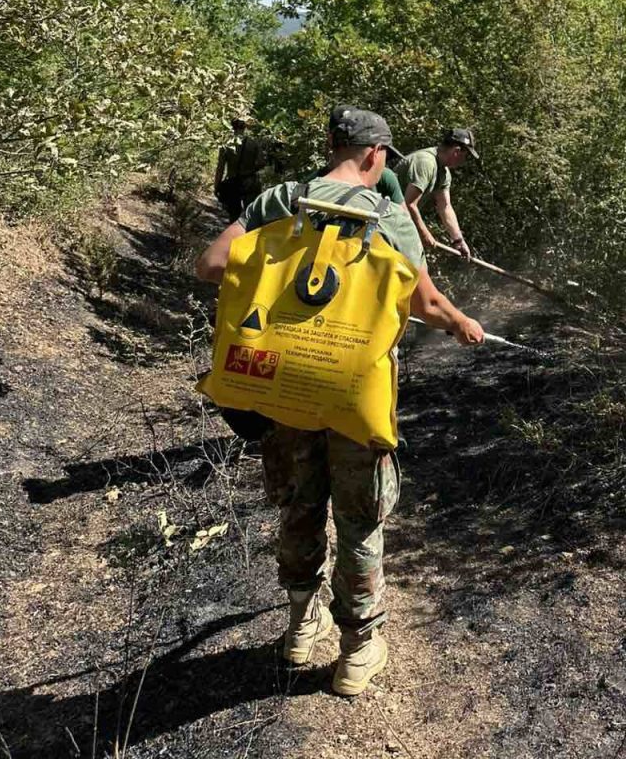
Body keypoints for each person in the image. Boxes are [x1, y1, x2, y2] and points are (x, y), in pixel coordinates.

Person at [195, 107, 484, 697]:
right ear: (377, 155)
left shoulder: (284, 200)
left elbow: (213, 264)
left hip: (284, 388)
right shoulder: (386, 214)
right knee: (359, 520)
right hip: (353, 396)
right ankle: (356, 653)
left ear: (331, 145)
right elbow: (425, 303)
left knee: (299, 506)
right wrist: (461, 323)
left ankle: (301, 627)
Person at [395, 128, 479, 261]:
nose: (464, 160)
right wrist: (424, 233)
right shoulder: (426, 162)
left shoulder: (444, 173)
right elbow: (409, 204)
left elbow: (444, 206)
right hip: (383, 220)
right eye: (465, 155)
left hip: (399, 223)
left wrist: (458, 240)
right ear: (456, 151)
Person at [213, 116, 263, 223]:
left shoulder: (226, 144)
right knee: (251, 216)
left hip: (233, 183)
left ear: (232, 126)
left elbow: (220, 168)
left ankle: (234, 231)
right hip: (250, 182)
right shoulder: (253, 143)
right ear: (245, 126)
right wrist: (251, 169)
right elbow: (261, 162)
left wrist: (217, 186)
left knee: (234, 216)